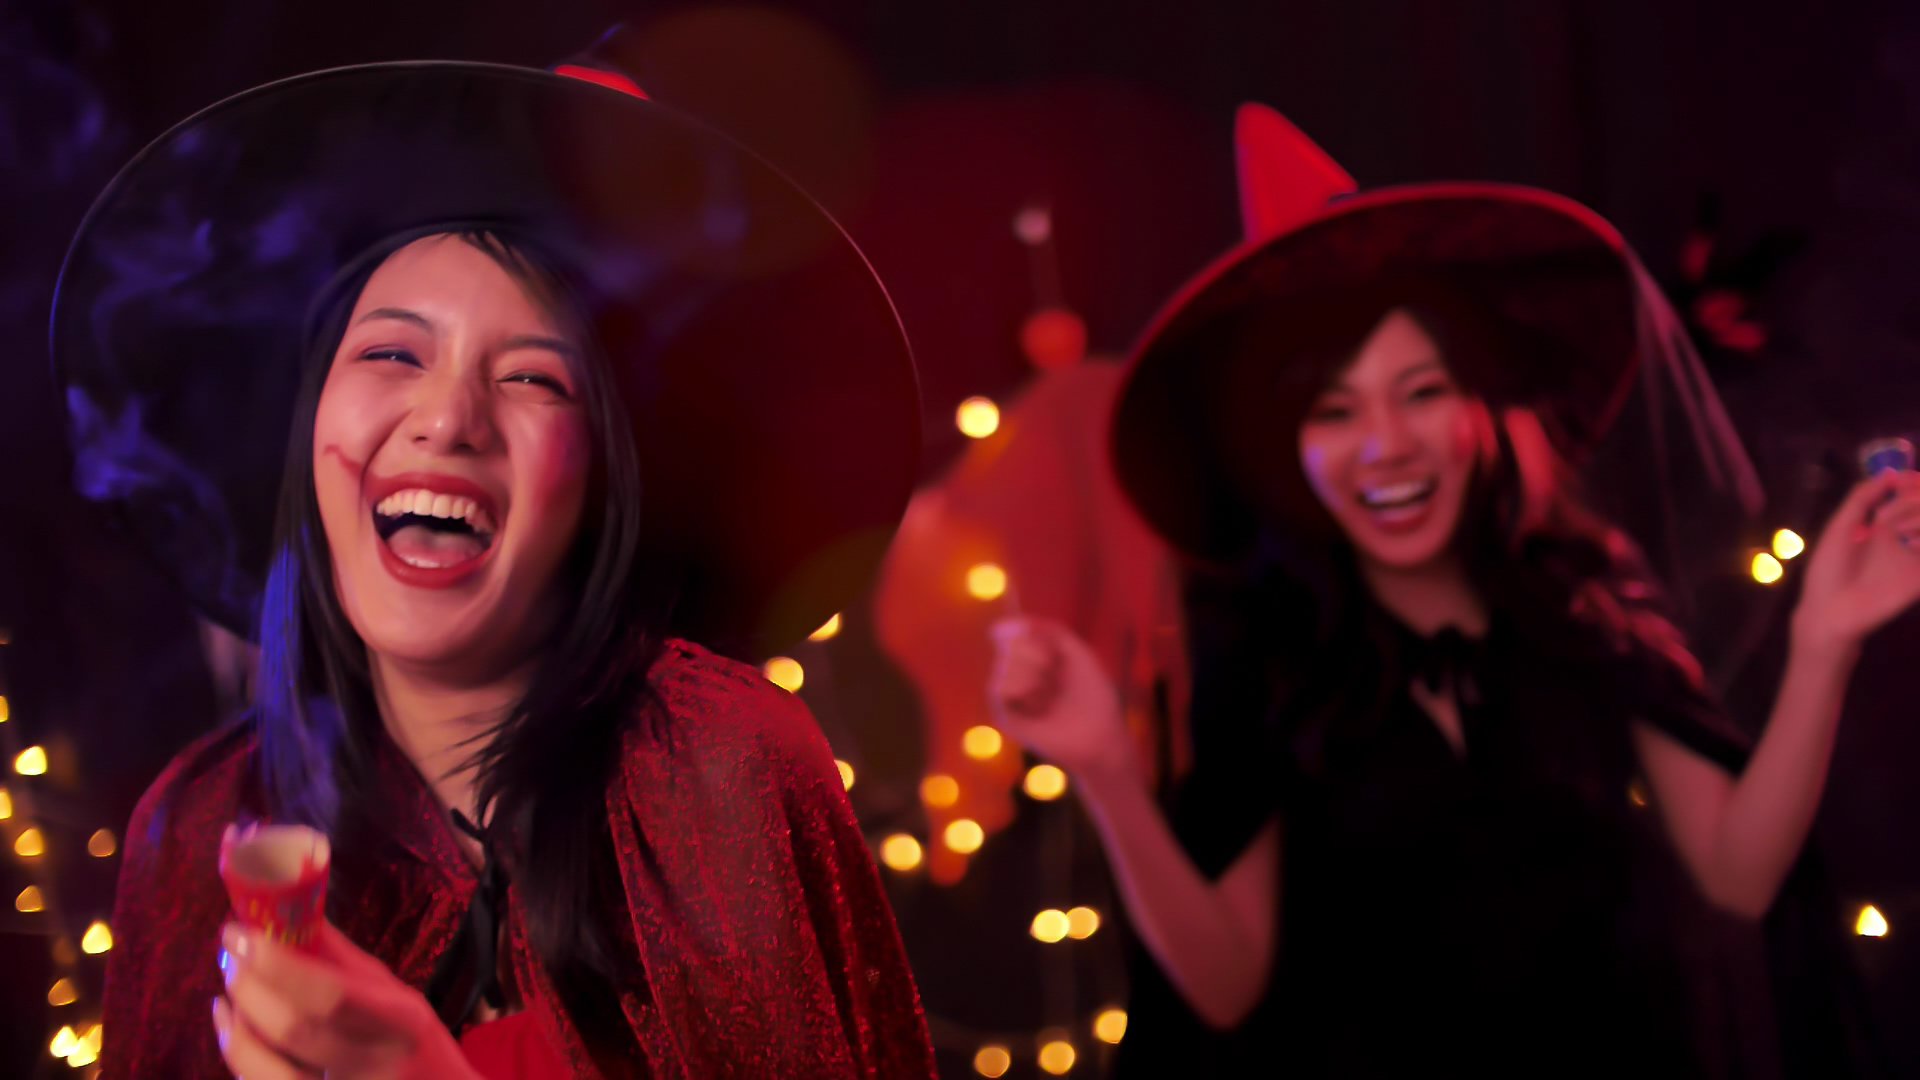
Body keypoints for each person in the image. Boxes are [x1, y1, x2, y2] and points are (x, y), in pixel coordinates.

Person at [989, 105, 1920, 1076]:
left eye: (1424, 391)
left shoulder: (1583, 608)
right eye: (1334, 410)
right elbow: (1224, 985)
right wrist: (1101, 766)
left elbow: (1737, 873)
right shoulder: (1261, 657)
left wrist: (1824, 644)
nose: (1387, 443)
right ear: (1281, 448)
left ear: (1486, 409)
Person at [54, 62, 933, 1078]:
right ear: (310, 434)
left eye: (531, 377)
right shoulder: (199, 823)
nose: (447, 419)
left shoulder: (727, 768)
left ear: (600, 474)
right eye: (391, 355)